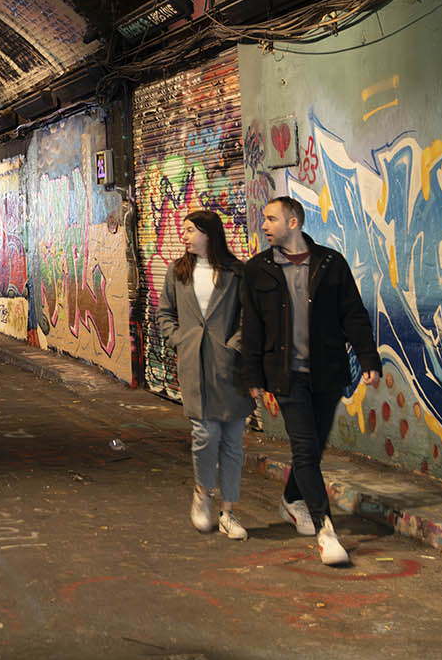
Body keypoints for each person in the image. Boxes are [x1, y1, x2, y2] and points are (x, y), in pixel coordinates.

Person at [240, 195, 382, 566]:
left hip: (327, 372)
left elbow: (352, 313)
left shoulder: (331, 263)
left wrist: (368, 357)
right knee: (305, 449)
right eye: (264, 219)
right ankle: (326, 531)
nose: (264, 225)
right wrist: (252, 375)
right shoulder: (257, 270)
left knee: (313, 449)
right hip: (286, 375)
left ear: (294, 222)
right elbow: (252, 327)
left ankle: (291, 499)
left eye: (271, 219)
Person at [157, 211, 250, 540]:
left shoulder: (236, 272)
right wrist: (178, 338)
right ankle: (202, 493)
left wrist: (235, 346)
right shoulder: (177, 272)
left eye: (190, 230)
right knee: (205, 435)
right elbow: (165, 312)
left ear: (210, 234)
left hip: (230, 368)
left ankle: (228, 512)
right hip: (194, 365)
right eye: (183, 229)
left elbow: (247, 317)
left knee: (233, 443)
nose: (184, 235)